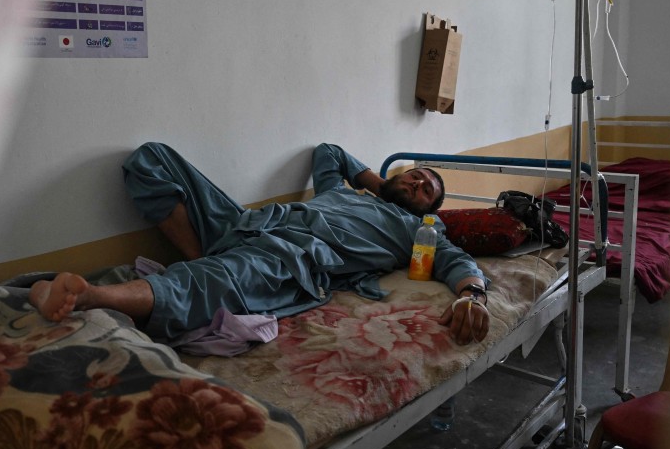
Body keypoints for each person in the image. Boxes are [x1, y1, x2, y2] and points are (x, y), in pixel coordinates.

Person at [30, 142, 490, 346]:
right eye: (414, 175)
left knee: (214, 279)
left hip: (292, 255)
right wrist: (381, 183)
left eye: (426, 189)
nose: (416, 182)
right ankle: (205, 257)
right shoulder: (342, 191)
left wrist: (473, 295)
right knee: (152, 158)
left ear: (428, 209)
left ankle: (91, 296)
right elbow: (328, 152)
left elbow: (457, 262)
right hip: (247, 223)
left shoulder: (416, 230)